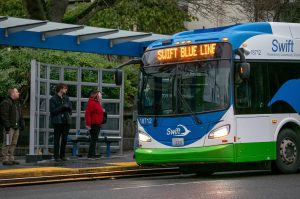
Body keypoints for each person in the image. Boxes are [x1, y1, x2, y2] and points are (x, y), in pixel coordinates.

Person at [0, 87, 25, 166]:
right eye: (17, 92)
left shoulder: (17, 103)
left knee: (14, 143)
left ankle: (11, 158)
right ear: (12, 93)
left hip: (16, 127)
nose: (18, 93)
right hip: (9, 128)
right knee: (7, 142)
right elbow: (3, 115)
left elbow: (20, 115)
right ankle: (5, 158)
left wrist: (22, 123)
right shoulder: (6, 102)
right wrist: (7, 125)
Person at [49, 83, 72, 162]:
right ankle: (56, 156)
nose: (66, 90)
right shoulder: (53, 99)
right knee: (57, 139)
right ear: (60, 89)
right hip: (57, 122)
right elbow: (53, 111)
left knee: (64, 139)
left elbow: (70, 108)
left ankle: (63, 155)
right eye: (65, 88)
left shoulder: (66, 98)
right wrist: (63, 107)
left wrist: (67, 108)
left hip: (66, 121)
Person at [85, 90, 105, 159]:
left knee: (94, 139)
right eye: (100, 94)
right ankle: (90, 154)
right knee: (93, 139)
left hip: (97, 124)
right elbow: (87, 114)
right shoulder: (92, 102)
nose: (101, 96)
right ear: (96, 95)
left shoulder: (97, 103)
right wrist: (88, 125)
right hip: (94, 124)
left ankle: (92, 153)